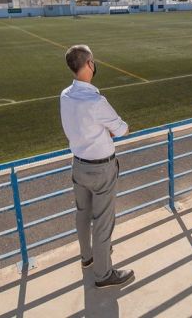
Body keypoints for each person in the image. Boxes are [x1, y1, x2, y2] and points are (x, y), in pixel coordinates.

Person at [60, 44, 135, 288]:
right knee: (103, 222)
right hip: (101, 169)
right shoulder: (95, 100)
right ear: (89, 64)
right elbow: (122, 129)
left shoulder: (65, 95)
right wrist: (109, 131)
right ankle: (103, 275)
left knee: (83, 214)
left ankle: (87, 257)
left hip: (78, 166)